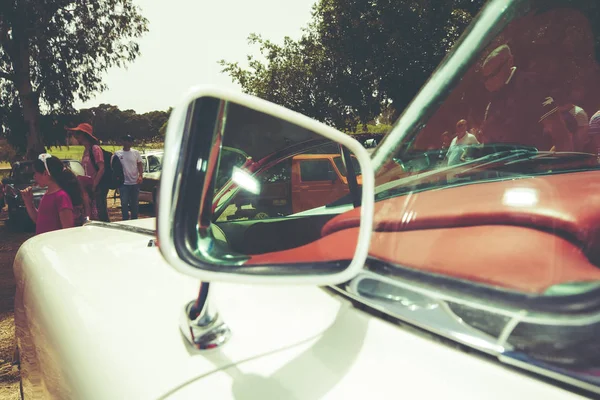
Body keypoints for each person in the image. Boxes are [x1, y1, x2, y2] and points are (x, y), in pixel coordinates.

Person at [480, 44, 547, 149]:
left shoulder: (531, 84)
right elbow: (487, 139)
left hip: (532, 161)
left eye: (493, 74)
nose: (487, 82)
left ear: (510, 62)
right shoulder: (495, 97)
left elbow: (558, 132)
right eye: (485, 78)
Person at [20, 154, 85, 235]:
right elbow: (38, 220)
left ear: (45, 173)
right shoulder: (47, 194)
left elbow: (68, 230)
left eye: (36, 173)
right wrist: (28, 202)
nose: (34, 177)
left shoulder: (61, 197)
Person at [67, 123, 110, 222]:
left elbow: (101, 168)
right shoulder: (86, 150)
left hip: (97, 187)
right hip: (88, 187)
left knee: (100, 213)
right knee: (92, 213)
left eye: (78, 133)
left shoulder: (95, 149)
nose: (76, 136)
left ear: (85, 135)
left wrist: (94, 185)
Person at [114, 134, 143, 220]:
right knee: (124, 203)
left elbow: (140, 165)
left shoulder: (136, 153)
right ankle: (125, 221)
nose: (128, 143)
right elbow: (114, 167)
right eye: (126, 140)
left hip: (135, 182)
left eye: (130, 141)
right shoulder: (117, 154)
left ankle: (134, 220)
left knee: (134, 204)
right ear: (122, 142)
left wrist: (141, 176)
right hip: (123, 183)